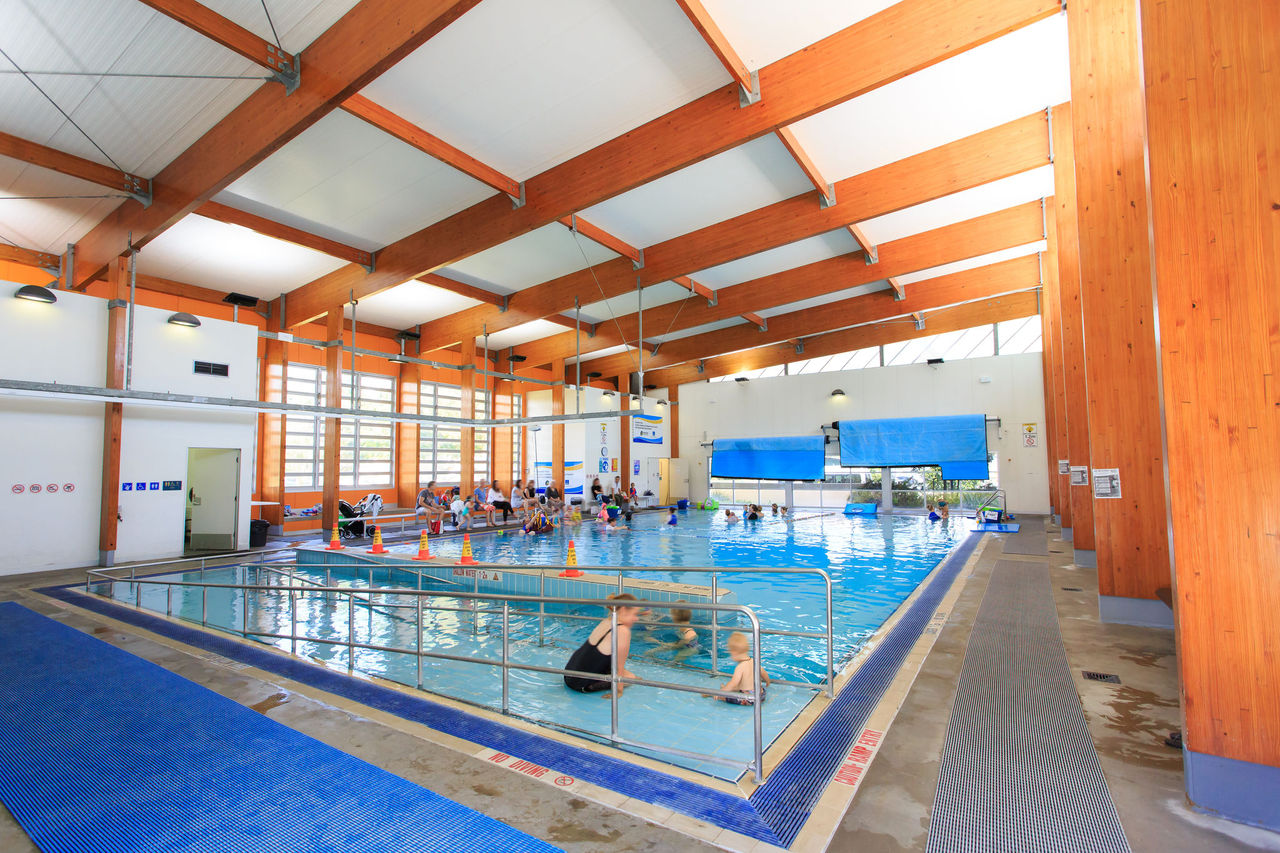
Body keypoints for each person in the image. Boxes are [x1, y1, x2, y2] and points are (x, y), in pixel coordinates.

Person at [564, 593, 643, 695]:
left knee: (624, 672)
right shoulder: (622, 631)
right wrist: (618, 692)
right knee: (632, 678)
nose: (636, 619)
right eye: (634, 614)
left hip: (568, 674)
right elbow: (619, 668)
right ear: (623, 610)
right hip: (580, 684)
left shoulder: (607, 621)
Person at [704, 631, 770, 706]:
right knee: (740, 685)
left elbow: (733, 683)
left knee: (728, 695)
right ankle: (726, 689)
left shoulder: (740, 667)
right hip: (761, 695)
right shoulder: (754, 661)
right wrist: (767, 681)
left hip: (750, 699)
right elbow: (763, 672)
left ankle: (715, 694)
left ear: (734, 652)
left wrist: (721, 692)